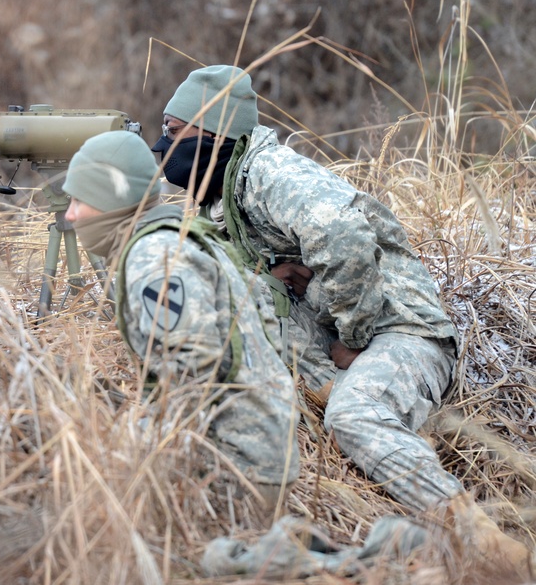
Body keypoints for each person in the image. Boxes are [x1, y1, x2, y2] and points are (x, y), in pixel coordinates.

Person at [151, 64, 532, 582]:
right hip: (338, 340)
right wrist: (265, 271)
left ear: (214, 131)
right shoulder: (227, 192)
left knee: (351, 417)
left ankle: (485, 544)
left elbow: (344, 235)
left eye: (174, 132)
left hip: (401, 331)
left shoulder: (269, 173)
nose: (162, 145)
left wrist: (353, 338)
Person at [61, 129, 300, 517]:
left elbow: (193, 375)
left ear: (108, 200)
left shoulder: (152, 258)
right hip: (260, 454)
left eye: (78, 200)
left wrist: (125, 442)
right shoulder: (179, 235)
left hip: (235, 471)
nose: (69, 215)